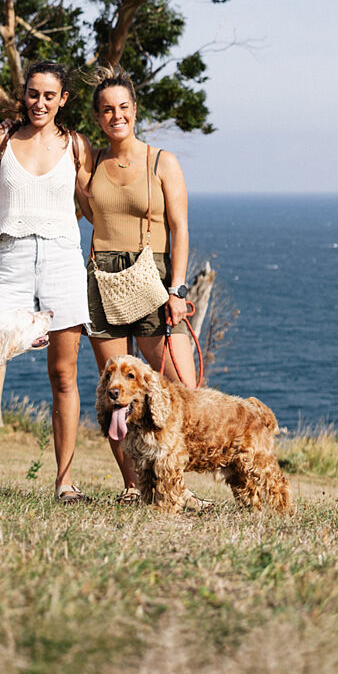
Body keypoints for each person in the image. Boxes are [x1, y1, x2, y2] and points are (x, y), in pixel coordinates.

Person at [0, 62, 95, 502]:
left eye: (50, 96)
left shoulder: (77, 145)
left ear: (63, 99)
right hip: (11, 261)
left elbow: (91, 202)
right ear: (23, 94)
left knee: (63, 375)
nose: (40, 103)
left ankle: (64, 483)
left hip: (63, 260)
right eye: (33, 94)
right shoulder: (3, 138)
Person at [85, 69, 196, 501]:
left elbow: (180, 227)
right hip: (103, 279)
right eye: (108, 109)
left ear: (135, 110)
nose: (117, 115)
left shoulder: (161, 161)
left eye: (124, 107)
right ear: (98, 117)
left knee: (178, 391)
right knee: (115, 393)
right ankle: (135, 487)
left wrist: (178, 290)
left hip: (154, 279)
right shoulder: (90, 162)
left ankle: (175, 487)